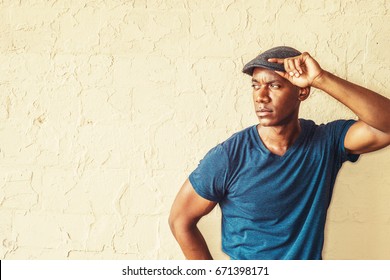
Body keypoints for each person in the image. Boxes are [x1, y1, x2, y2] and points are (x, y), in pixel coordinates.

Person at [168, 46, 390, 260]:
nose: (261, 97)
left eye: (274, 86)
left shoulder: (325, 142)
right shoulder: (229, 157)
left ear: (301, 91)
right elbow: (180, 219)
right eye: (255, 86)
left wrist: (320, 78)